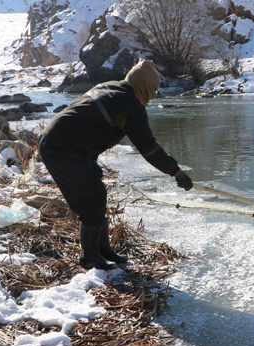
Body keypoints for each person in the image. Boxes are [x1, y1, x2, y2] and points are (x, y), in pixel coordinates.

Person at [38, 59, 193, 270]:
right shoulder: (131, 105)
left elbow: (89, 123)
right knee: (91, 199)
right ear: (144, 86)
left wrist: (91, 158)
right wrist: (176, 172)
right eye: (154, 89)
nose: (155, 95)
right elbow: (148, 148)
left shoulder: (111, 86)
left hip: (64, 142)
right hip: (61, 148)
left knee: (98, 192)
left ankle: (103, 249)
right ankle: (89, 257)